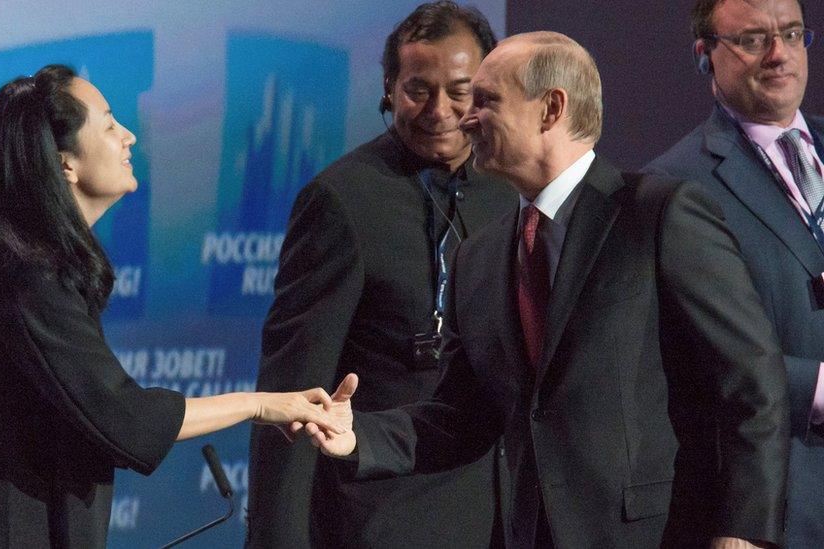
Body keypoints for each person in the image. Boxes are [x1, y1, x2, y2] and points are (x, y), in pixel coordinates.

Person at [304, 32, 790, 548]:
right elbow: (463, 415)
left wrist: (743, 533)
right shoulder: (480, 256)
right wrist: (359, 434)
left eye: (486, 101)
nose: (467, 119)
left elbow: (751, 379)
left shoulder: (658, 215)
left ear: (550, 108)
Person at [0, 64, 349, 548]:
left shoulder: (29, 269)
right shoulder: (26, 279)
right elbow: (124, 419)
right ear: (64, 164)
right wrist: (262, 403)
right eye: (109, 124)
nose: (130, 137)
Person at [246, 2, 516, 547]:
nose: (439, 110)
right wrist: (276, 537)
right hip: (380, 512)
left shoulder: (512, 191)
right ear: (389, 88)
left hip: (503, 511)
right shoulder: (341, 199)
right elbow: (293, 388)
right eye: (418, 89)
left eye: (460, 90)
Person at [646, 1, 822, 545]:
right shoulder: (675, 184)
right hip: (787, 495)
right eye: (752, 40)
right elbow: (692, 351)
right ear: (705, 55)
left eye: (792, 34)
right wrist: (815, 387)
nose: (778, 54)